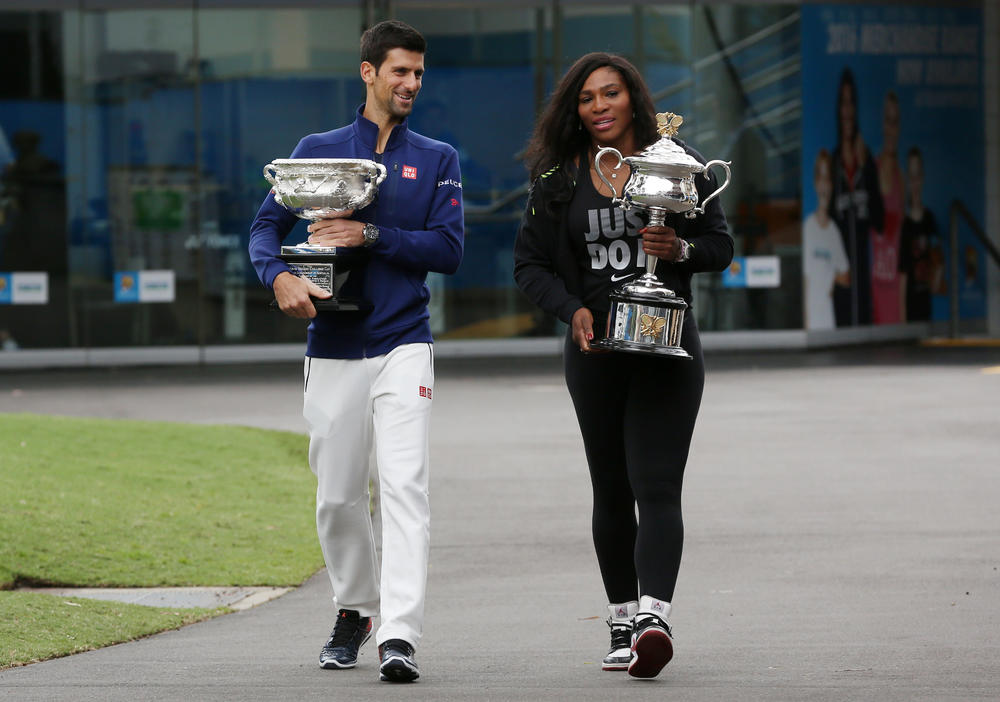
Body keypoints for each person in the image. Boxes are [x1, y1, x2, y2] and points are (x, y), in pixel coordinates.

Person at [248, 20, 464, 683]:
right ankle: (355, 609)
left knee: (404, 488)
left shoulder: (437, 158)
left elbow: (448, 249)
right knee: (338, 497)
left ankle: (398, 634)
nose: (411, 83)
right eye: (400, 71)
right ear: (368, 72)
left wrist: (369, 232)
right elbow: (265, 226)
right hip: (333, 346)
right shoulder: (317, 151)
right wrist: (279, 276)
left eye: (419, 73)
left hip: (404, 343)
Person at [513, 52, 733, 679]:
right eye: (587, 99)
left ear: (634, 99)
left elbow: (721, 245)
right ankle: (620, 614)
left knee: (658, 485)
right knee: (611, 489)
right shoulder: (558, 178)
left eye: (610, 94)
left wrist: (680, 248)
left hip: (668, 347)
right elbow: (529, 265)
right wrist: (572, 310)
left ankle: (653, 618)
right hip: (596, 352)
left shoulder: (675, 161)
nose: (600, 106)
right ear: (575, 111)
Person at [829, 67, 884, 327]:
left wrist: (865, 168)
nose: (847, 110)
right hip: (839, 271)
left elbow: (880, 220)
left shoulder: (867, 160)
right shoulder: (833, 161)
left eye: (852, 103)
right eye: (843, 103)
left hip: (863, 271)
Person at [803, 149, 850, 330]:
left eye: (828, 179)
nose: (824, 186)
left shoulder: (833, 232)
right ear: (815, 183)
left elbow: (845, 276)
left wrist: (830, 275)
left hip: (828, 321)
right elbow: (805, 279)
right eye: (820, 178)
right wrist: (805, 321)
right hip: (810, 321)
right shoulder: (808, 228)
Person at [898, 147, 941, 321]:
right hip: (911, 302)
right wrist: (901, 313)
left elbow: (938, 259)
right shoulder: (906, 225)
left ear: (922, 178)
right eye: (911, 176)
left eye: (918, 176)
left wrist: (936, 281)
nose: (915, 182)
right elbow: (902, 273)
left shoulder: (929, 219)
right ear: (907, 180)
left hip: (926, 301)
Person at [871, 91, 903, 324]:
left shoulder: (902, 180)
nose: (891, 128)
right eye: (888, 121)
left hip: (895, 284)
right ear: (882, 125)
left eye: (895, 122)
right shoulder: (873, 169)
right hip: (874, 283)